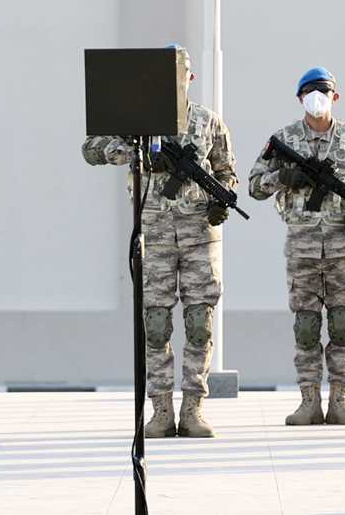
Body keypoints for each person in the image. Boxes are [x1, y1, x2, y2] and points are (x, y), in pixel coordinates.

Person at [81, 45, 236, 439]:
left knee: (199, 323)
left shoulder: (208, 122)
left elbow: (226, 172)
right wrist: (135, 150)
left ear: (190, 77)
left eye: (180, 72)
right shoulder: (138, 121)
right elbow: (91, 148)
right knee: (155, 324)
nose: (174, 79)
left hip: (200, 236)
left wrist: (221, 203)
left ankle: (193, 408)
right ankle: (161, 410)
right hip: (155, 234)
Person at [247, 66, 345, 427]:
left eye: (324, 91)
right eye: (310, 92)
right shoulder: (283, 139)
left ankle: (341, 400)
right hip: (302, 245)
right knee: (305, 326)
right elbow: (254, 186)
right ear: (300, 98)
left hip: (342, 246)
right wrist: (284, 176)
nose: (317, 98)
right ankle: (308, 400)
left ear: (336, 97)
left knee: (342, 325)